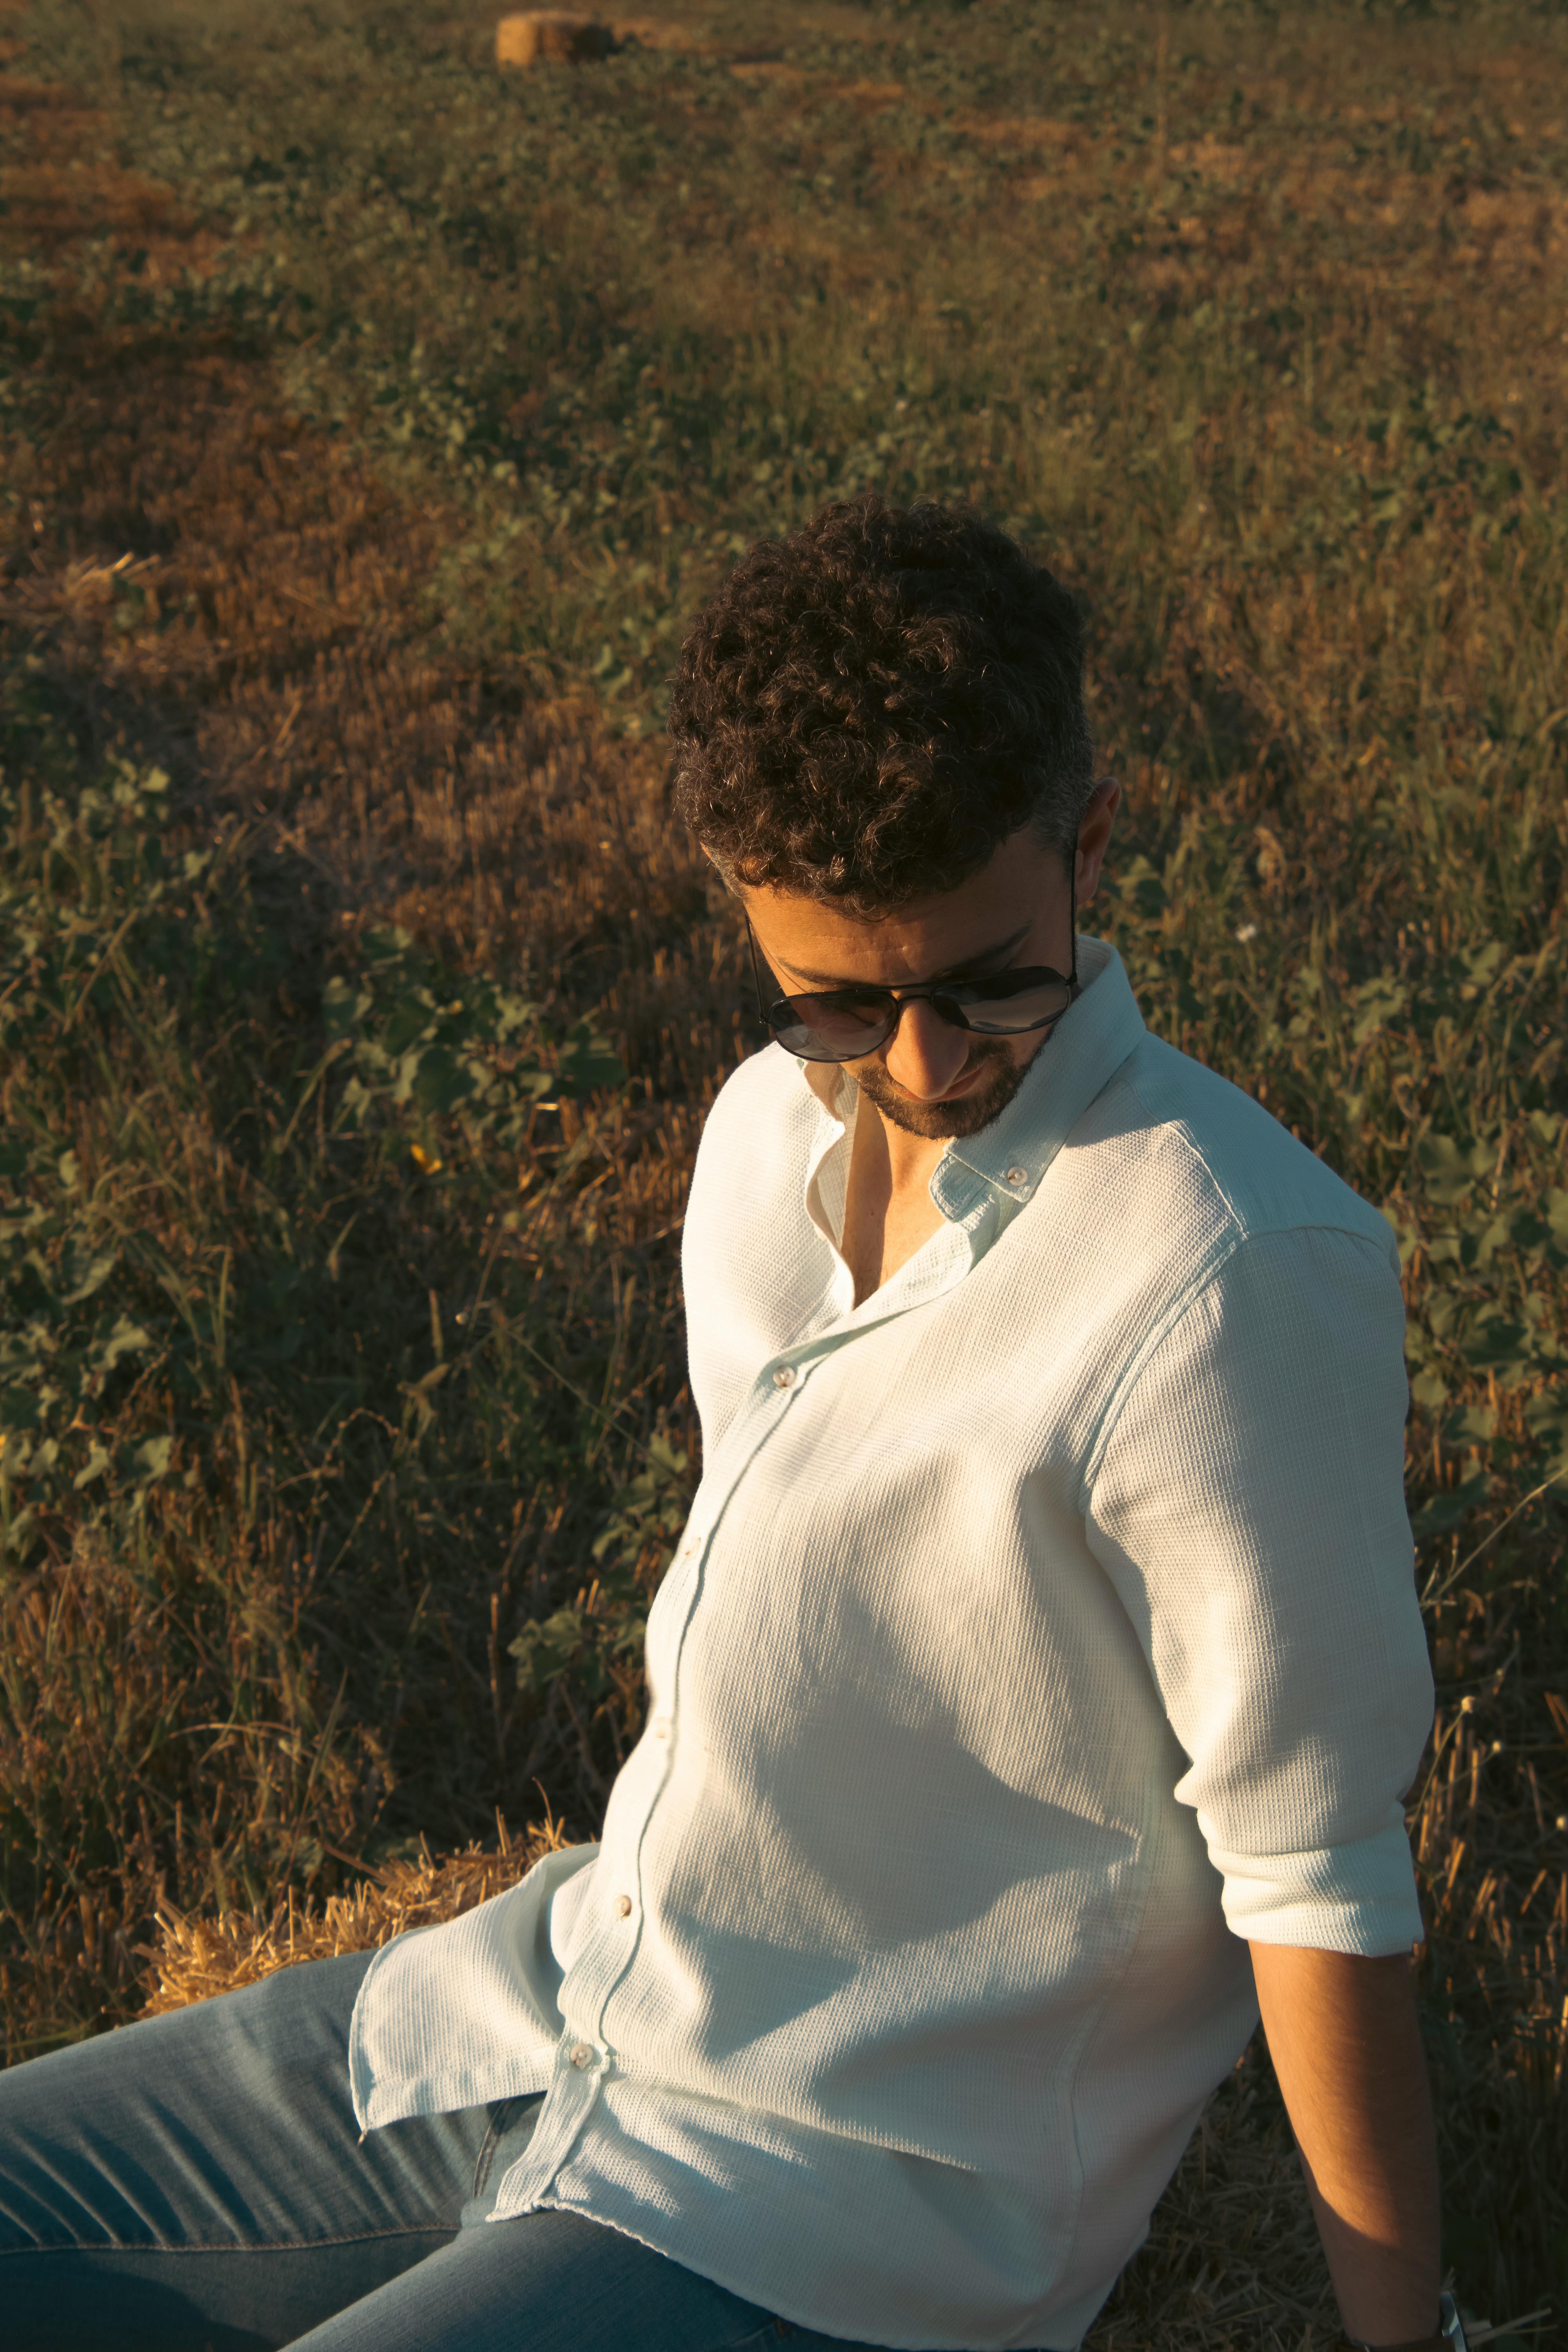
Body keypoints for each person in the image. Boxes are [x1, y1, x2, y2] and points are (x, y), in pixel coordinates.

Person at [1, 495, 1447, 2352]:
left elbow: (1318, 1877)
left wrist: (1400, 2336)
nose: (924, 1068)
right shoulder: (760, 1142)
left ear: (1091, 843)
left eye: (988, 976)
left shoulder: (1227, 1269)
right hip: (540, 2008)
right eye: (842, 1001)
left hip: (835, 2201)